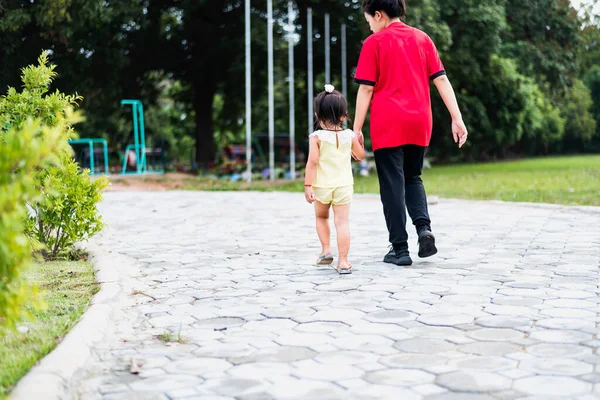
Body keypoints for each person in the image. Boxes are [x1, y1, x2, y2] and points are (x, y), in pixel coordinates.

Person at [353, 0, 469, 266]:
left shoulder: (375, 43)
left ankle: (400, 249)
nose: (369, 26)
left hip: (388, 122)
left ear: (379, 15)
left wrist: (356, 129)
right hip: (419, 120)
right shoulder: (422, 38)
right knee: (413, 177)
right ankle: (424, 229)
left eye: (369, 20)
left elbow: (366, 89)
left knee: (392, 182)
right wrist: (456, 117)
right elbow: (441, 78)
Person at [304, 84, 367, 274]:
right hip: (344, 186)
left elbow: (312, 162)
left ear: (317, 115)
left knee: (321, 217)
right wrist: (358, 144)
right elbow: (360, 155)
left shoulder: (316, 137)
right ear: (343, 115)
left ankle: (326, 250)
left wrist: (308, 185)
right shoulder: (349, 136)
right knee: (342, 222)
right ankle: (344, 262)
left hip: (322, 186)